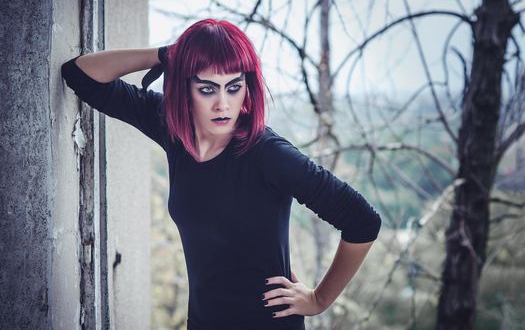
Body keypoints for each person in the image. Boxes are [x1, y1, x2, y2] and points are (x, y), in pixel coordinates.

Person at [61, 18, 382, 330]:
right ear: (184, 88)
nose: (223, 104)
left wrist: (319, 299)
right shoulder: (173, 130)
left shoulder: (268, 154)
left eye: (233, 87)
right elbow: (80, 74)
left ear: (247, 87)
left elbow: (361, 219)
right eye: (207, 89)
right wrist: (165, 54)